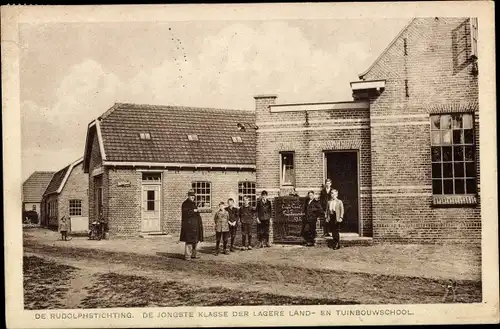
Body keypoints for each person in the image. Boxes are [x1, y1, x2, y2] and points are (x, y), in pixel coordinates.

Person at [180, 190, 204, 260]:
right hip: (189, 226)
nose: (193, 197)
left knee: (195, 240)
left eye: (193, 196)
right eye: (191, 196)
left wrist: (196, 211)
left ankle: (193, 254)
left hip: (195, 225)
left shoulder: (193, 203)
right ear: (188, 196)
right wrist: (193, 211)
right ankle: (187, 256)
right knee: (189, 240)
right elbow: (185, 213)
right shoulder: (185, 203)